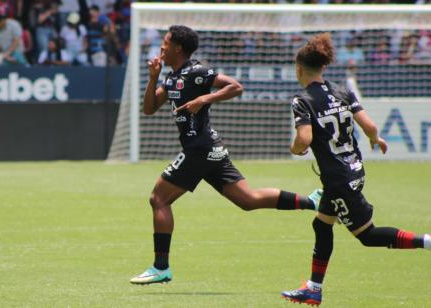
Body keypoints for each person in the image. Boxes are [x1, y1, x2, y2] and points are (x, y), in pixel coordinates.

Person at [129, 25, 322, 285]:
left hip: (199, 148)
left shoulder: (196, 71)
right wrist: (153, 77)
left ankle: (160, 267)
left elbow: (236, 86)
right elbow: (149, 109)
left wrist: (204, 100)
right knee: (248, 200)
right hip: (209, 149)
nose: (161, 47)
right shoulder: (171, 77)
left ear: (177, 48)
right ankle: (312, 201)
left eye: (165, 43)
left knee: (158, 199)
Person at [281, 32, 430, 306]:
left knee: (368, 236)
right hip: (353, 170)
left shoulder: (302, 100)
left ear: (299, 68)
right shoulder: (343, 91)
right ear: (323, 67)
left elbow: (304, 140)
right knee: (321, 223)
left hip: (338, 180)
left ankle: (428, 242)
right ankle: (313, 288)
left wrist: (295, 149)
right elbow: (370, 127)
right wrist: (376, 139)